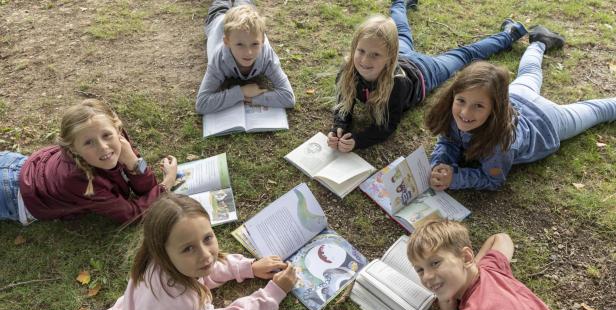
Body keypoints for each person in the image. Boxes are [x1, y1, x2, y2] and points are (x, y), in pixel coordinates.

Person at [61, 194, 298, 310]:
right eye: (188, 249)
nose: (206, 255)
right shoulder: (189, 307)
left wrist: (248, 267)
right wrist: (272, 293)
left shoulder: (150, 262)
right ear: (162, 251)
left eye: (207, 238)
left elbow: (205, 270)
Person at [426, 26, 616, 191]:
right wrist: (441, 163)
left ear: (496, 108)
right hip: (518, 95)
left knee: (597, 110)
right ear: (453, 95)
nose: (465, 113)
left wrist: (455, 178)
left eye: (478, 106)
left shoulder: (501, 145)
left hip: (546, 120)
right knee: (530, 71)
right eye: (461, 101)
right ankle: (539, 41)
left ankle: (539, 43)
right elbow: (449, 140)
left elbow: (493, 179)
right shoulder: (454, 113)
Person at [327, 0, 527, 152]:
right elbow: (343, 105)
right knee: (402, 32)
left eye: (375, 54)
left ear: (390, 57)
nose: (365, 60)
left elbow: (387, 126)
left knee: (463, 55)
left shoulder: (397, 84)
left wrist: (358, 140)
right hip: (403, 54)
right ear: (354, 48)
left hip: (425, 71)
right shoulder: (348, 70)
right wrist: (340, 126)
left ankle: (509, 34)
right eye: (361, 51)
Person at [0, 98, 178, 225]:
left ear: (117, 129)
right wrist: (166, 184)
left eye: (107, 135)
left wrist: (133, 162)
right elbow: (131, 214)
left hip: (17, 164)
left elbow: (145, 190)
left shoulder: (118, 141)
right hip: (11, 196)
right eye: (88, 142)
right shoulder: (80, 181)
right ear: (74, 149)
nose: (103, 147)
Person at [407, 219, 579, 310]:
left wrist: (447, 308)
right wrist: (473, 266)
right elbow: (501, 238)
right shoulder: (490, 270)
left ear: (466, 257)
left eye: (435, 263)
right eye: (420, 270)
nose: (427, 276)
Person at [195, 0, 295, 115]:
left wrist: (254, 99)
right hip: (218, 20)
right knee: (220, 5)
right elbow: (202, 104)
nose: (248, 52)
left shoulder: (267, 55)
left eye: (255, 44)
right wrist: (241, 92)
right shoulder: (219, 60)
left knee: (244, 5)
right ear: (227, 42)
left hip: (243, 19)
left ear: (262, 40)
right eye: (240, 45)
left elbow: (289, 98)